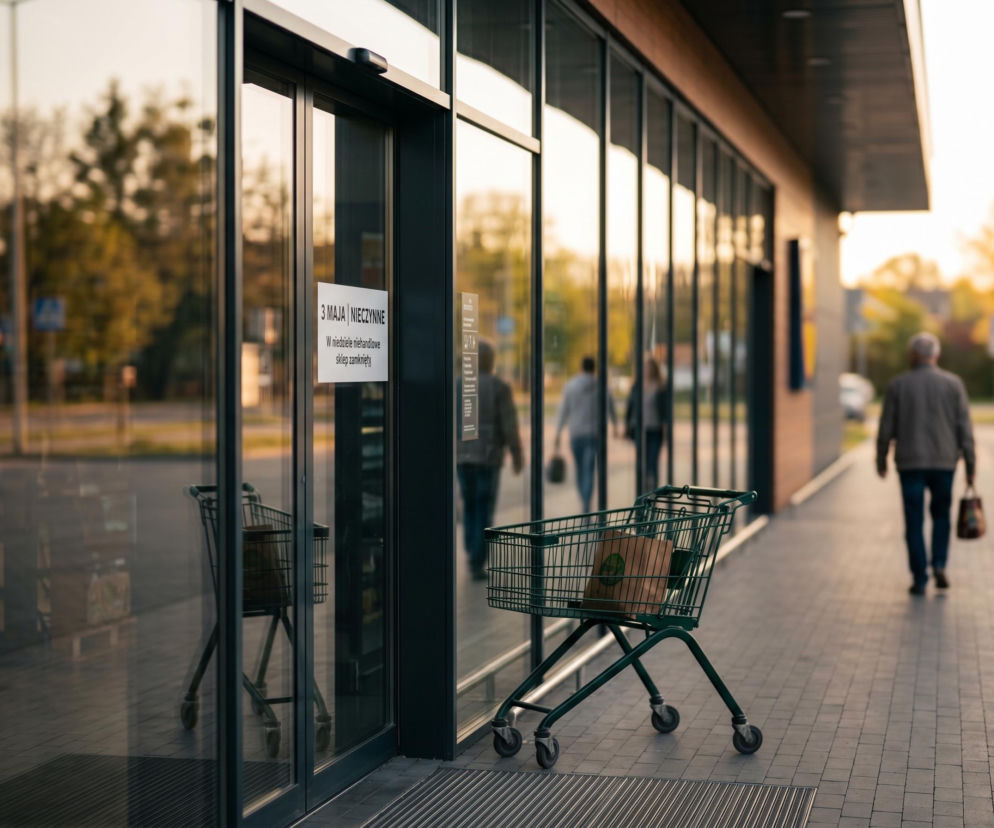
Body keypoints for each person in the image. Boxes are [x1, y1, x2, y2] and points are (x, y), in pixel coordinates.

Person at [876, 332, 975, 595]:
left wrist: (881, 459)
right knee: (941, 515)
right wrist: (971, 466)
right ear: (936, 355)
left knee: (914, 520)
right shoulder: (954, 384)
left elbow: (886, 426)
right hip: (945, 464)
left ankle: (919, 577)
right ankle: (939, 563)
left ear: (912, 355)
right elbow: (964, 427)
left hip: (910, 464)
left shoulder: (899, 385)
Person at [457, 340, 523, 581]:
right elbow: (509, 424)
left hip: (463, 457)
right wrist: (516, 454)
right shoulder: (499, 387)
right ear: (490, 361)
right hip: (488, 458)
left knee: (470, 504)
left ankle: (470, 549)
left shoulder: (458, 385)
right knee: (484, 507)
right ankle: (476, 557)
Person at [554, 356, 617, 513]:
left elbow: (563, 410)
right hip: (594, 434)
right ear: (594, 368)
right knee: (589, 469)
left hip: (576, 433)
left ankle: (584, 500)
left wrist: (558, 432)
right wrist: (615, 425)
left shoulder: (571, 385)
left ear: (581, 367)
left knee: (580, 469)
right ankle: (586, 502)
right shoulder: (602, 386)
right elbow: (611, 408)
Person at [625, 356, 668, 491]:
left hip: (655, 430)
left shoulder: (660, 386)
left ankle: (653, 490)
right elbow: (630, 407)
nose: (647, 370)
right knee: (642, 463)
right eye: (645, 368)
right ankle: (643, 491)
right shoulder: (636, 386)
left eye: (649, 368)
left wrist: (666, 429)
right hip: (639, 430)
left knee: (652, 463)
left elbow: (665, 410)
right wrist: (626, 426)